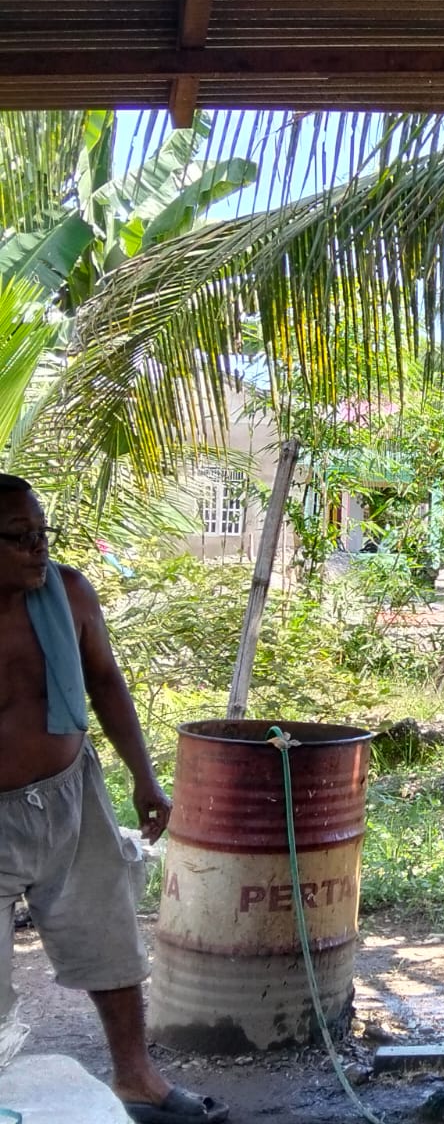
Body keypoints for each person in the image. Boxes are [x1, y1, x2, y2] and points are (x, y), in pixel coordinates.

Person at [0, 474, 229, 1123]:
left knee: (110, 938)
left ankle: (138, 1080)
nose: (39, 548)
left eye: (43, 533)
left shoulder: (69, 594)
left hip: (73, 796)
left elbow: (105, 682)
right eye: (19, 537)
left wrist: (145, 778)